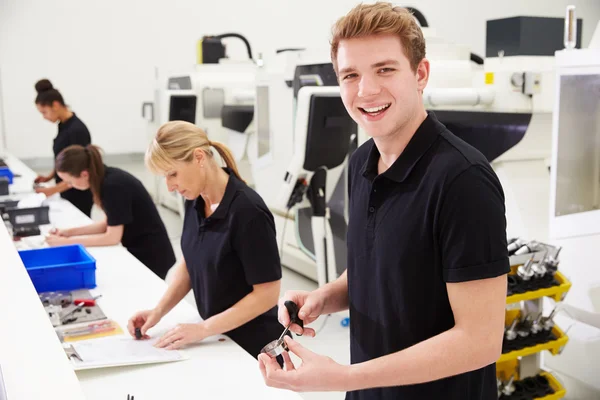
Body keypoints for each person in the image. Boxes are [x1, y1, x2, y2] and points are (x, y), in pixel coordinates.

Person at [258, 3, 509, 399]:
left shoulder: (463, 180)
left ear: (420, 73)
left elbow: (480, 340)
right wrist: (324, 297)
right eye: (351, 75)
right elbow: (374, 269)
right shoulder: (361, 163)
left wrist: (342, 377)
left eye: (385, 70)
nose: (366, 90)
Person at [127, 121, 286, 361]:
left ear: (199, 157)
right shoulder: (194, 199)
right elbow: (191, 263)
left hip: (254, 347)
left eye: (173, 174)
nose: (170, 187)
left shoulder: (247, 211)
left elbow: (267, 294)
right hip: (217, 337)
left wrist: (203, 329)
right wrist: (157, 312)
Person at [45, 144, 176, 280]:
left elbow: (112, 237)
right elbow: (108, 224)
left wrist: (65, 242)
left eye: (70, 182)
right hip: (144, 250)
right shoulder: (106, 177)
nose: (69, 186)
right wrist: (67, 233)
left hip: (152, 255)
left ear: (84, 174)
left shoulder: (113, 186)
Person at [33, 79, 94, 217]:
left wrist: (52, 190)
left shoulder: (77, 131)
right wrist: (49, 177)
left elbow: (79, 170)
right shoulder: (63, 125)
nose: (44, 117)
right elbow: (65, 159)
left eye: (44, 112)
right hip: (66, 189)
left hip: (78, 193)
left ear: (55, 105)